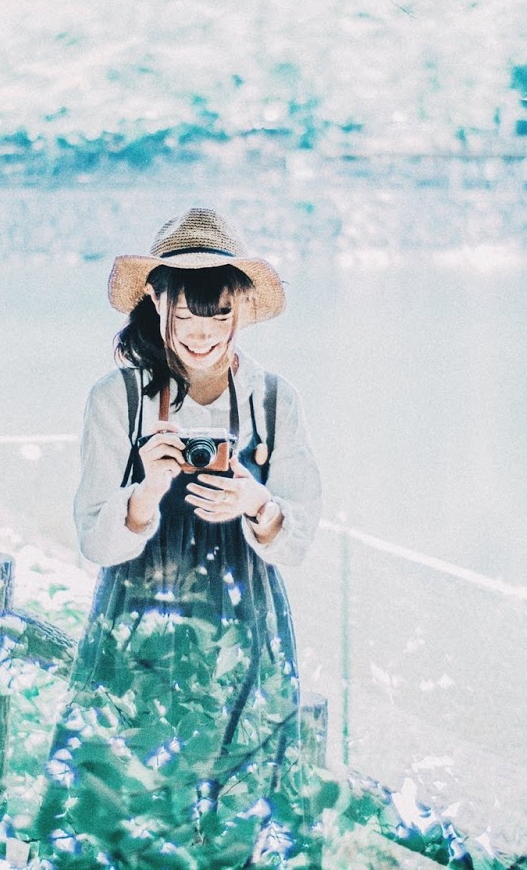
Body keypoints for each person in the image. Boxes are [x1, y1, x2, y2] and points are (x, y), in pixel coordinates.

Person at [35, 208, 323, 868]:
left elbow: (299, 540)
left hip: (243, 627)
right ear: (155, 300)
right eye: (185, 316)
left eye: (217, 316)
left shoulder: (273, 400)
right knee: (119, 802)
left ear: (240, 308)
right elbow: (94, 540)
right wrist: (145, 494)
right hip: (140, 620)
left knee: (236, 808)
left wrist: (257, 502)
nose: (201, 335)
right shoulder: (118, 398)